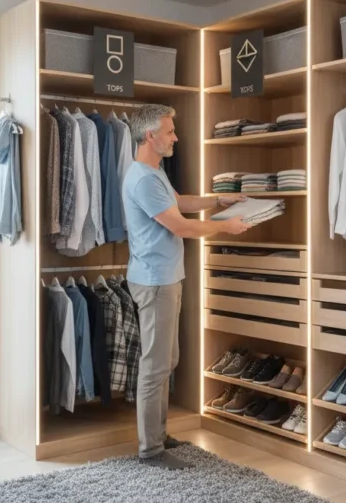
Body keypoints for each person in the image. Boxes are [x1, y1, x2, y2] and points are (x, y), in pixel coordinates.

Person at [122, 104, 250, 470]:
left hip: (165, 277)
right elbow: (180, 226)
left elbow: (179, 204)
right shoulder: (144, 179)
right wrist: (225, 227)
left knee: (167, 360)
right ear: (150, 136)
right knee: (156, 364)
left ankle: (159, 436)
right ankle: (150, 450)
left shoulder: (153, 172)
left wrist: (217, 201)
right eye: (170, 131)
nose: (176, 137)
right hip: (155, 280)